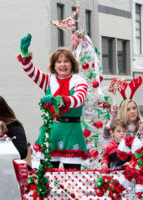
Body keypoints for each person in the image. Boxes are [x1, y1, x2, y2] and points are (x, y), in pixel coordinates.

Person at [17, 34, 89, 170]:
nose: (62, 64)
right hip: (51, 133)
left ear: (72, 64)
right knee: (47, 175)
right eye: (59, 61)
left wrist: (59, 101)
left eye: (66, 61)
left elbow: (78, 99)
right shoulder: (48, 80)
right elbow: (31, 71)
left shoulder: (79, 82)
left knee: (72, 176)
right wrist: (24, 54)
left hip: (71, 133)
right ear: (54, 65)